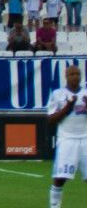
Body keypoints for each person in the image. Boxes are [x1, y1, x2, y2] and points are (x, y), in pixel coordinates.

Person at [47, 63, 87, 208]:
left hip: (85, 138)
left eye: (77, 74)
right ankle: (54, 205)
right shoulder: (58, 94)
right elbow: (51, 120)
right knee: (60, 178)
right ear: (66, 76)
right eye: (72, 74)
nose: (75, 77)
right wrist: (68, 107)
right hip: (67, 139)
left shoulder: (85, 93)